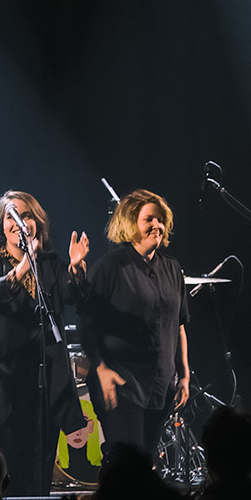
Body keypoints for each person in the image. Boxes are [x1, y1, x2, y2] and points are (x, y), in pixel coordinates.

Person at [0, 190, 90, 496]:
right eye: (12, 216)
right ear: (2, 225)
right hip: (4, 381)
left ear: (36, 222)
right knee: (3, 470)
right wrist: (26, 263)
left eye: (26, 216)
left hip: (43, 378)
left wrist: (76, 269)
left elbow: (71, 297)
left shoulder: (49, 263)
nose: (20, 222)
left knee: (38, 469)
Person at [77, 188, 190, 461]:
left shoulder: (172, 268)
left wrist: (184, 374)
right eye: (149, 219)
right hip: (120, 380)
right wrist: (101, 368)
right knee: (127, 460)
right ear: (130, 223)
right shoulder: (110, 266)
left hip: (160, 382)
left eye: (161, 219)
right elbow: (86, 322)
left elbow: (180, 325)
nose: (157, 225)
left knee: (146, 461)